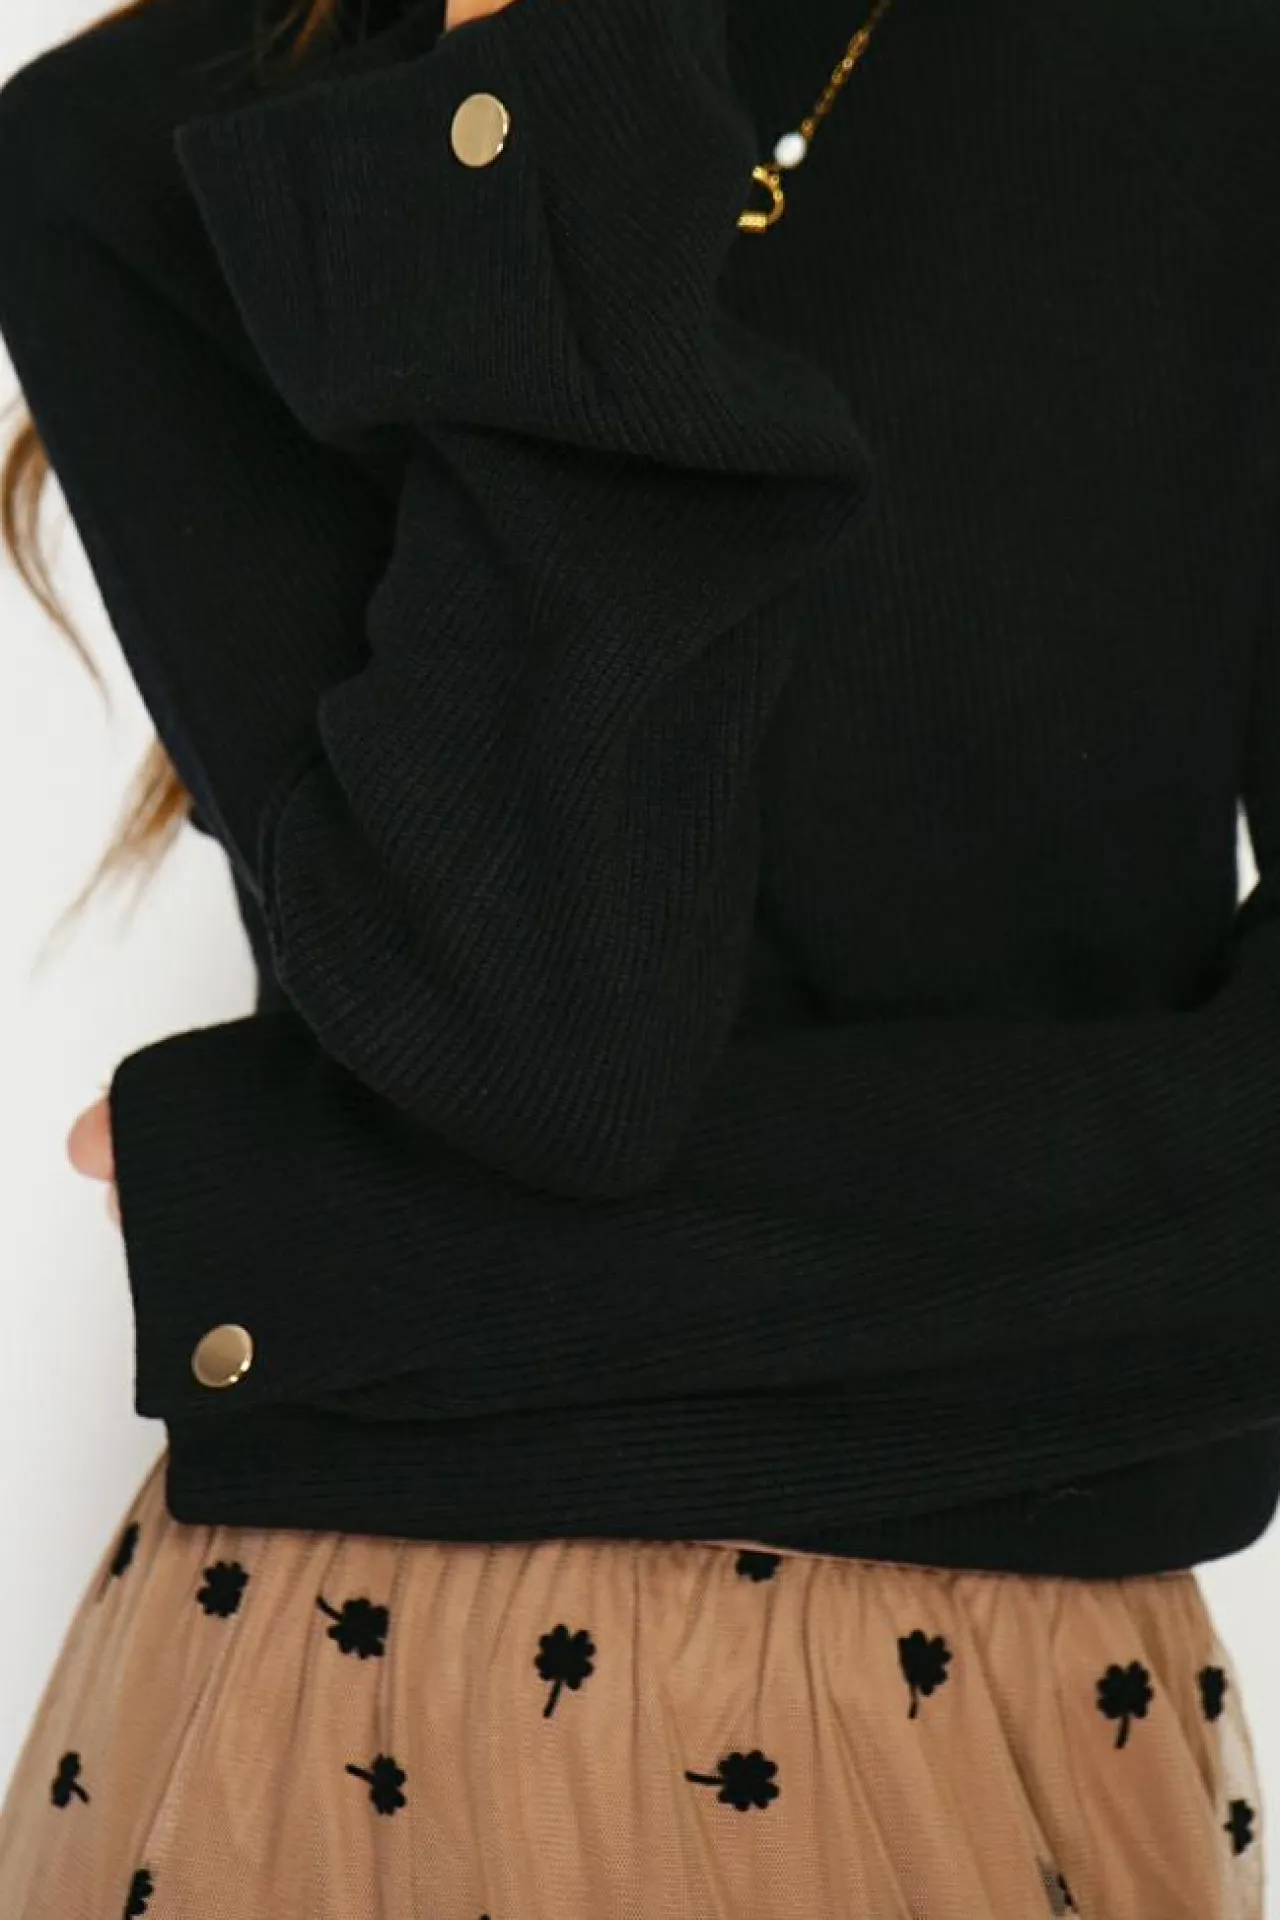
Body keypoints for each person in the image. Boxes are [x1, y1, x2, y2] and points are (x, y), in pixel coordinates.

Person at [0, 0, 1275, 1910]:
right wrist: (535, 125)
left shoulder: (1209, 77)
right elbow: (546, 1042)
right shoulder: (141, 155)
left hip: (1020, 1738)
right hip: (351, 1714)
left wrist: (312, 1252)